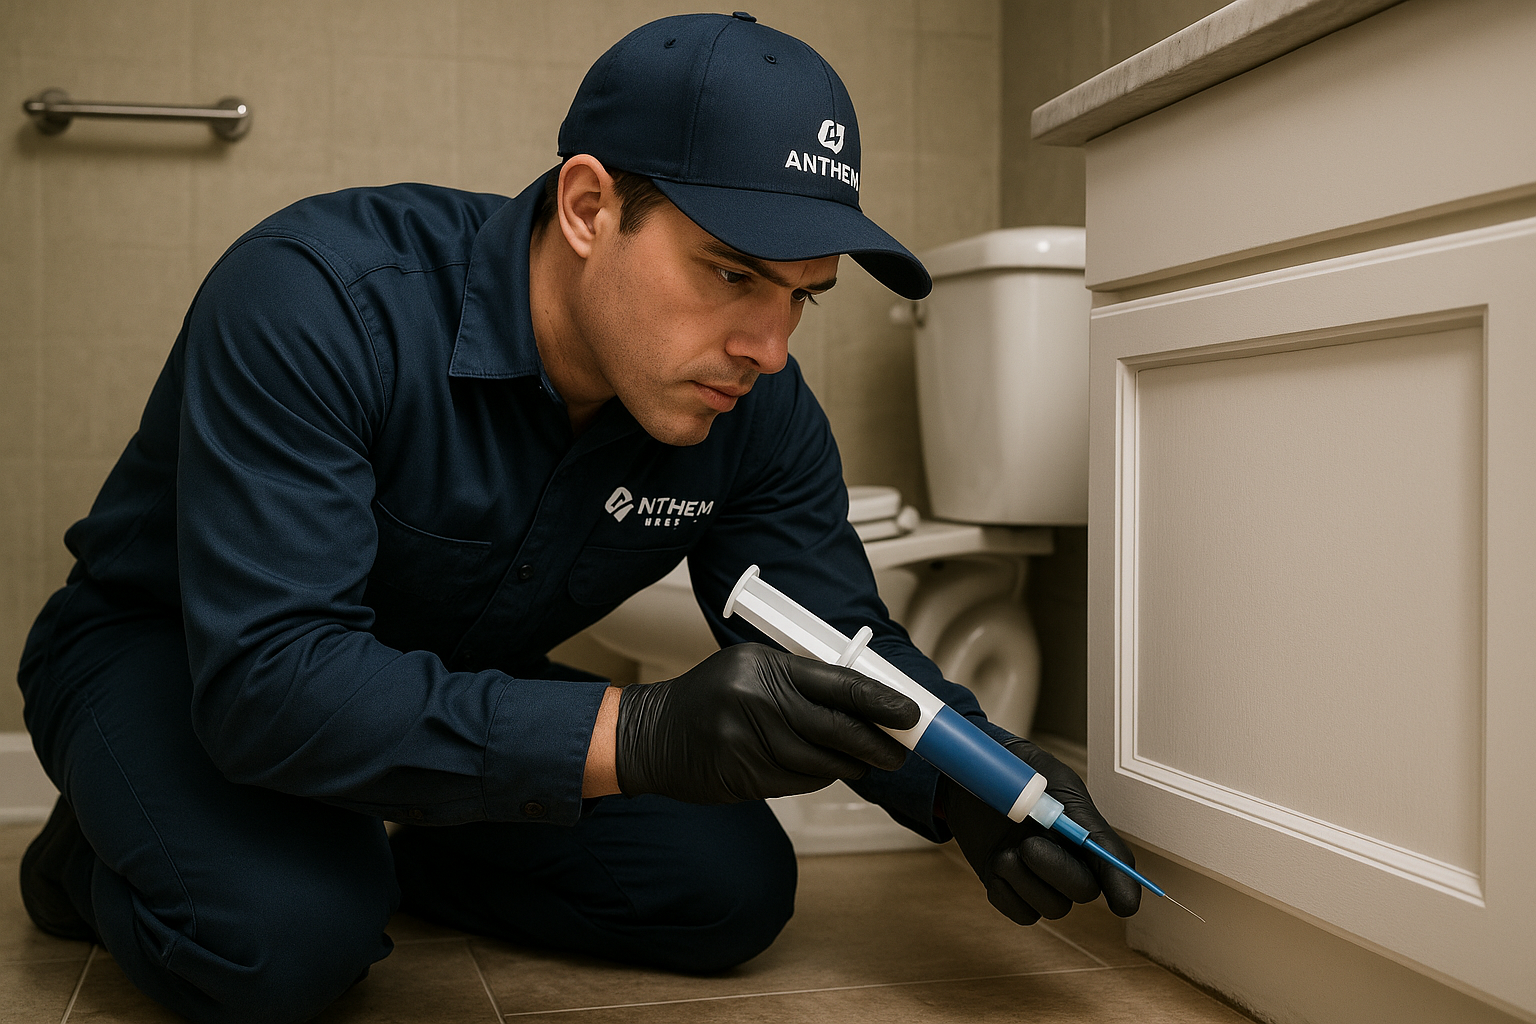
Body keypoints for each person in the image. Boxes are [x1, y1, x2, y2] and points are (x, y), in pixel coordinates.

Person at [16, 12, 1139, 1024]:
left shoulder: (753, 403)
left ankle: (366, 839)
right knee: (284, 942)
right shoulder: (317, 299)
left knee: (728, 887)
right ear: (590, 206)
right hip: (182, 658)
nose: (770, 347)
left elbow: (841, 640)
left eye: (801, 296)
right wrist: (645, 732)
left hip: (435, 674)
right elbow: (273, 682)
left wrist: (968, 778)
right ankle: (101, 850)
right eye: (733, 275)